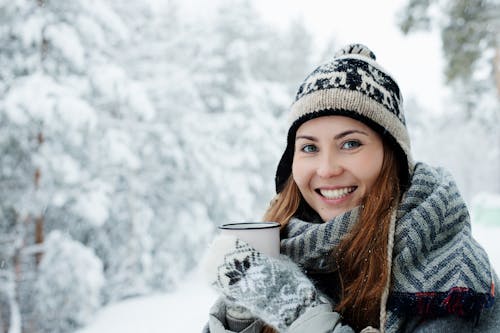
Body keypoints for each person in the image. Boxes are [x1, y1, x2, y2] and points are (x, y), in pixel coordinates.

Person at [201, 44, 499, 332]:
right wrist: (242, 314)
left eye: (350, 144)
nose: (327, 169)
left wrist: (295, 311)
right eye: (309, 147)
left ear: (391, 156)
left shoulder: (449, 270)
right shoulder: (286, 241)